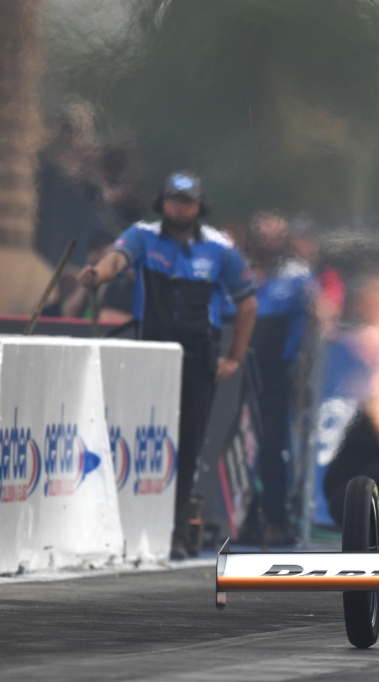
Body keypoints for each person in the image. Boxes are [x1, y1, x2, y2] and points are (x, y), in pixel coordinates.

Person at [79, 172, 257, 558]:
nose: (180, 208)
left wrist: (234, 357)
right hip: (150, 357)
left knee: (187, 448)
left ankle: (174, 532)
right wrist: (98, 274)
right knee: (137, 439)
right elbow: (117, 258)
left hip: (198, 360)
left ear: (199, 206)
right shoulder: (142, 235)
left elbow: (247, 301)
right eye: (174, 200)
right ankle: (125, 527)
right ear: (162, 202)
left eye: (187, 202)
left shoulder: (220, 249)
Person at [243, 212, 316, 547]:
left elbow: (314, 309)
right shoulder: (238, 271)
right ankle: (243, 519)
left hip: (278, 373)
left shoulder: (297, 276)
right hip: (238, 371)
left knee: (274, 448)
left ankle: (275, 519)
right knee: (237, 448)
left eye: (277, 235)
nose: (270, 242)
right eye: (264, 235)